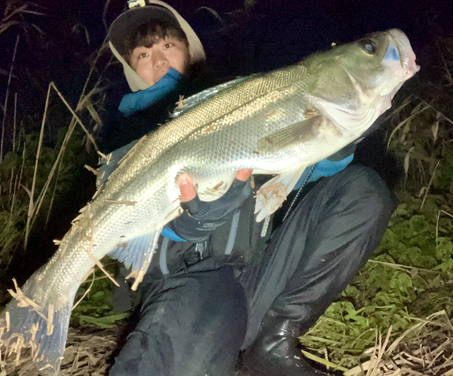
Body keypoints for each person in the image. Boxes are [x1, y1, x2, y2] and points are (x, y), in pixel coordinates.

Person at [100, 1, 398, 375]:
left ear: (190, 51)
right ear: (132, 69)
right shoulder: (125, 138)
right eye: (143, 53)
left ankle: (274, 340)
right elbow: (121, 240)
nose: (157, 60)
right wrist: (184, 228)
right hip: (190, 286)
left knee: (361, 190)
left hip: (260, 274)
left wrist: (334, 136)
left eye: (167, 45)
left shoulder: (238, 100)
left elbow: (302, 169)